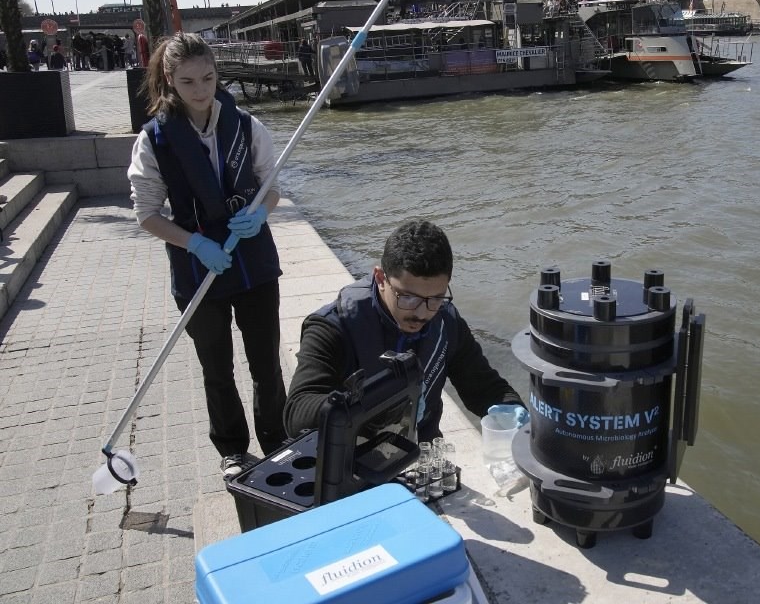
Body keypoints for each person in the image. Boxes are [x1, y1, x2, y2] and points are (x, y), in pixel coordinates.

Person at [127, 32, 288, 479]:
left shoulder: (248, 126)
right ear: (169, 80)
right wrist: (195, 244)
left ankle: (278, 440)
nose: (200, 90)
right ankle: (233, 450)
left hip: (254, 262)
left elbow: (270, 187)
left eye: (208, 78)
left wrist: (260, 214)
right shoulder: (153, 141)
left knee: (267, 364)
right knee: (216, 368)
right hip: (198, 266)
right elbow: (146, 214)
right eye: (188, 81)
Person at [284, 220, 527, 444]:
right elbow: (297, 413)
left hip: (419, 452)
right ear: (381, 278)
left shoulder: (446, 322)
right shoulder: (331, 328)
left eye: (436, 297)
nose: (421, 313)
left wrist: (515, 411)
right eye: (408, 297)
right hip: (351, 456)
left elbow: (483, 387)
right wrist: (376, 403)